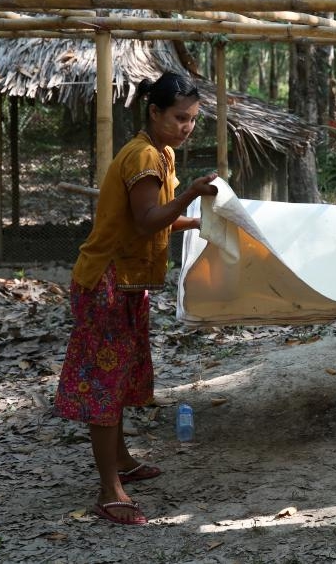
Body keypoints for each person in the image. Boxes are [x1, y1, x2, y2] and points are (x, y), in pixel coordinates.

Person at [53, 72, 218, 526]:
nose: (187, 127)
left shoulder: (161, 154)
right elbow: (148, 220)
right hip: (106, 282)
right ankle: (110, 490)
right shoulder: (143, 156)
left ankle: (122, 460)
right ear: (154, 111)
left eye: (192, 120)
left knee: (121, 374)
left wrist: (206, 221)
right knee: (105, 383)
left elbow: (160, 219)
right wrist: (190, 196)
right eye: (180, 118)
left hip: (127, 282)